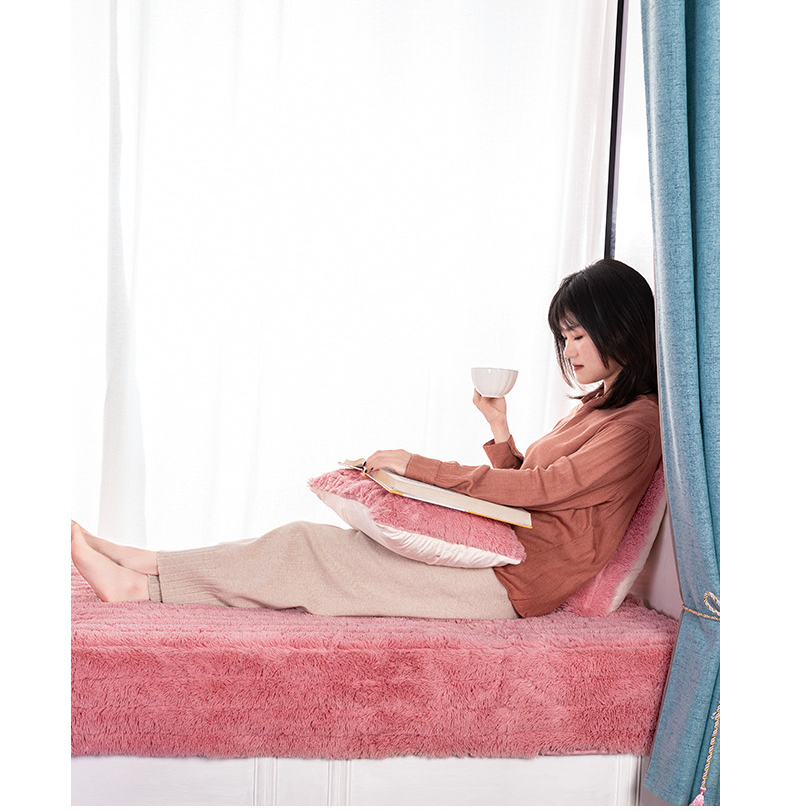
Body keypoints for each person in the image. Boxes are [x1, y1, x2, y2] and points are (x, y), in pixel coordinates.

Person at [72, 258, 662, 619]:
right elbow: (535, 484)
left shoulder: (637, 424)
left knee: (306, 551)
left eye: (578, 335)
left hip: (513, 582)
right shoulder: (600, 408)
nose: (568, 350)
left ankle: (141, 585)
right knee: (308, 544)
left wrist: (418, 466)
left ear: (620, 328)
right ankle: (146, 564)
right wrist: (499, 430)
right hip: (505, 556)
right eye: (564, 337)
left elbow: (545, 490)